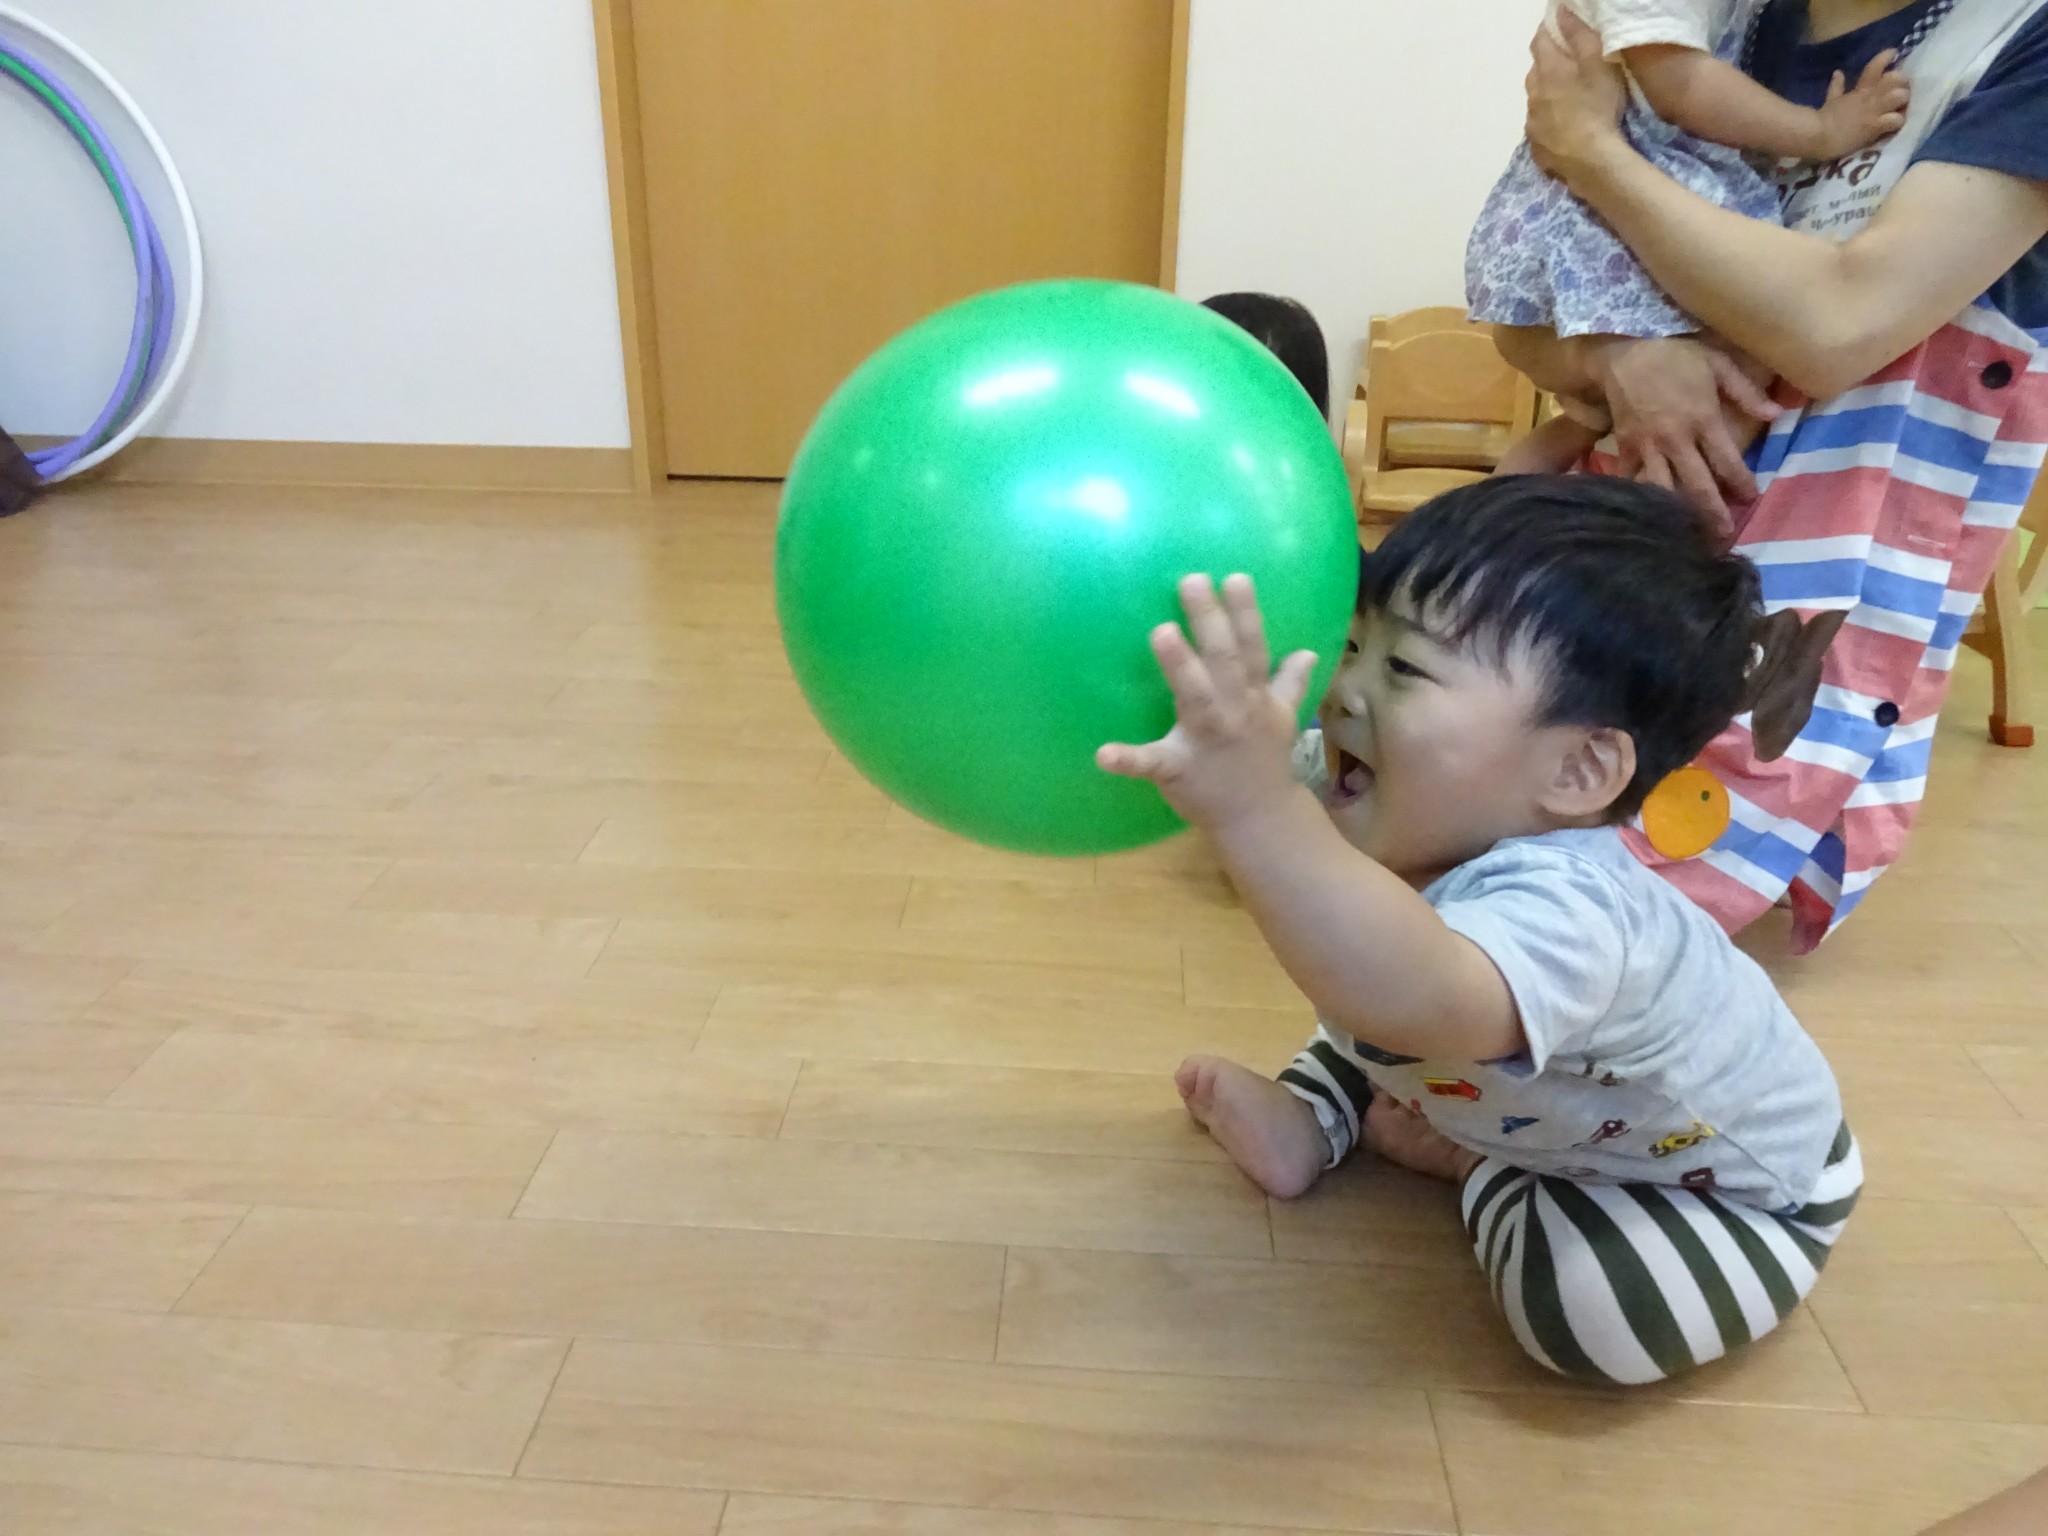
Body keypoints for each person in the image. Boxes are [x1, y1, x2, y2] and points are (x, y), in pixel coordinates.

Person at [1097, 476, 1861, 1386]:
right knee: (1368, 967)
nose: (1341, 691)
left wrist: (1258, 809)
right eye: (1353, 645)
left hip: (1726, 1185)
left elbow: (1417, 997)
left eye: (1405, 670)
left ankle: (1484, 1170)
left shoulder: (1578, 910)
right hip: (1496, 1071)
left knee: (1596, 1315)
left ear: (1577, 770)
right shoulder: (1385, 788)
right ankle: (1319, 1114)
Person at [1500, 0, 2048, 950]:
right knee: (1533, 764)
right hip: (1633, 516)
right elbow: (1518, 295)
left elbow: (1839, 327)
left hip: (1833, 535)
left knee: (1666, 837)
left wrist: (1593, 150)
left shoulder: (2011, 40)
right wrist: (1615, 356)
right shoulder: (1695, 26)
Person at [1472, 0, 1909, 473]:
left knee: (1584, 420)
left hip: (1587, 197)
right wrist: (1820, 130)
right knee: (1748, 348)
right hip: (1609, 208)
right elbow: (1680, 85)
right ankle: (1672, 496)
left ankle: (1493, 509)